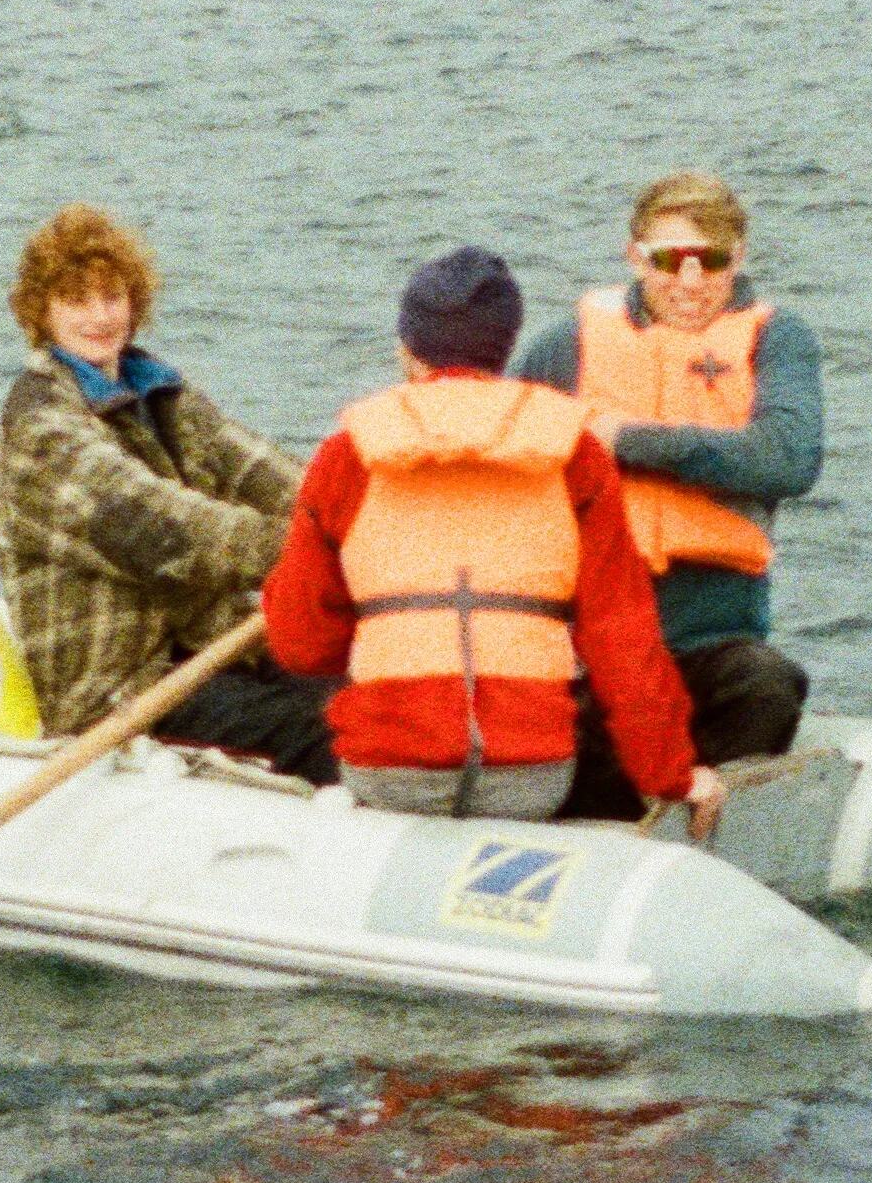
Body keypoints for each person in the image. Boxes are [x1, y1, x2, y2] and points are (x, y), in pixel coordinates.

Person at [262, 245, 697, 827]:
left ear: (408, 348)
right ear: (506, 345)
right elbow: (623, 639)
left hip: (391, 771)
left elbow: (300, 644)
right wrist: (672, 776)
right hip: (529, 776)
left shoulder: (347, 455)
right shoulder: (577, 455)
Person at [0, 204, 334, 781]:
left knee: (361, 692)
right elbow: (162, 532)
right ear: (41, 312)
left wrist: (353, 516)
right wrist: (308, 546)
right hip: (118, 690)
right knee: (314, 731)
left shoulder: (161, 394)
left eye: (113, 297)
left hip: (208, 651)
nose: (100, 316)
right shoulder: (40, 425)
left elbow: (258, 469)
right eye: (77, 300)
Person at [508, 169, 820, 787]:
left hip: (712, 637)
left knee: (770, 687)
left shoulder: (776, 338)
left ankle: (710, 821)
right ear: (634, 256)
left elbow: (787, 459)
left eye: (711, 260)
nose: (690, 281)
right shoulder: (565, 344)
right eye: (670, 259)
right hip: (590, 641)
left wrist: (626, 439)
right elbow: (507, 459)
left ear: (740, 257)